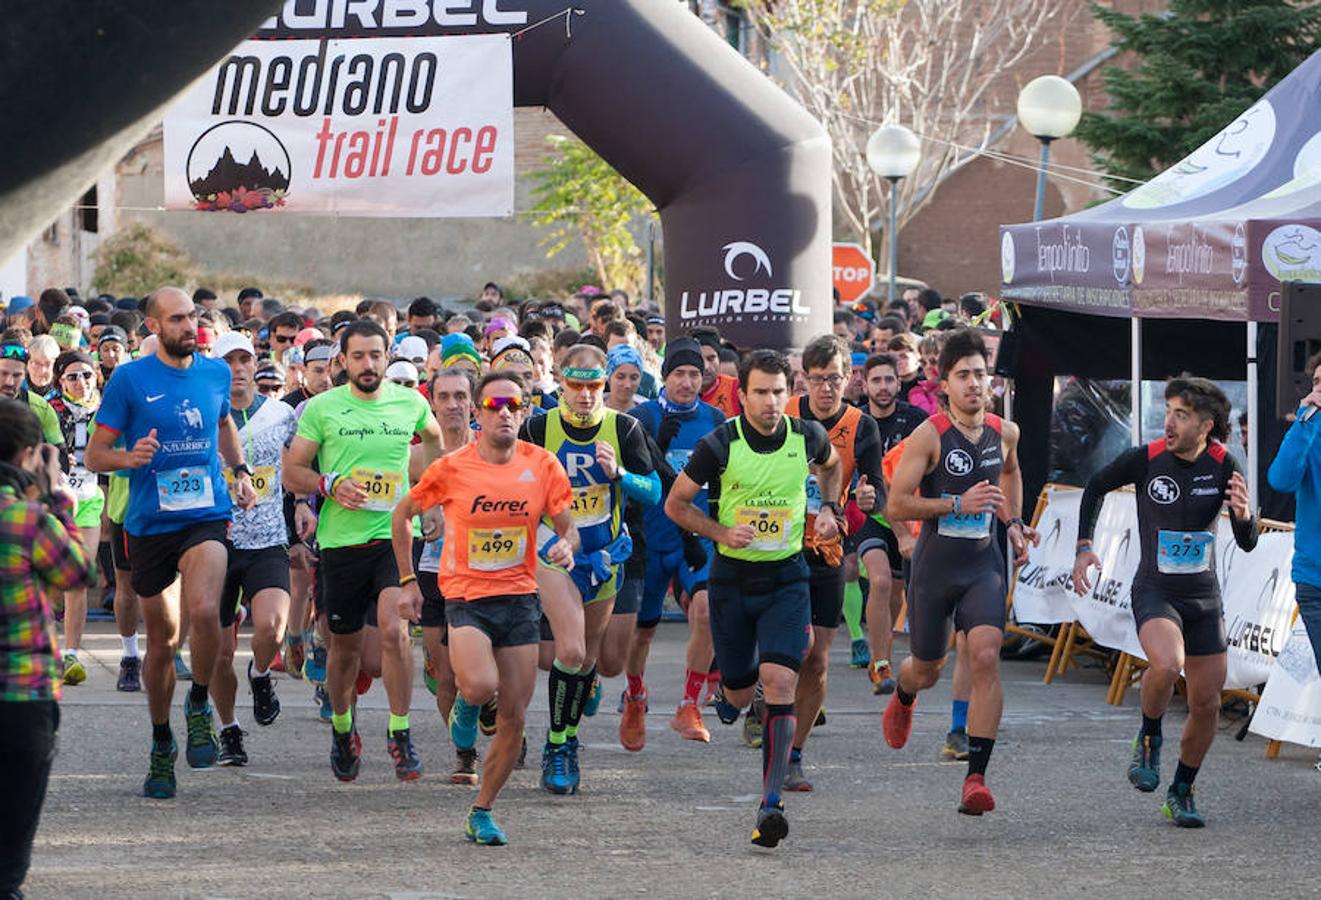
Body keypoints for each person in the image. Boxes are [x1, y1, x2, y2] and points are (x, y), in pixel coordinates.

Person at [84, 286, 258, 800]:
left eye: (193, 318)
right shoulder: (130, 380)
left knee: (205, 610)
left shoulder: (215, 372)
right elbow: (96, 455)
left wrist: (240, 469)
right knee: (161, 641)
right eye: (178, 319)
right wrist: (128, 458)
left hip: (205, 514)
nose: (190, 327)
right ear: (154, 327)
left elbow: (224, 422)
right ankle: (162, 741)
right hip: (148, 524)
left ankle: (199, 704)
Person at [666, 349, 841, 848]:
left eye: (779, 392)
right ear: (741, 394)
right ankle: (727, 692)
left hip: (786, 578)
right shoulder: (719, 443)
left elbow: (833, 467)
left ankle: (770, 804)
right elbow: (676, 504)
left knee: (781, 679)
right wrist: (721, 531)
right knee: (744, 692)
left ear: (792, 394)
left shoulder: (807, 436)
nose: (770, 402)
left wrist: (829, 507)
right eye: (760, 392)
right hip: (732, 582)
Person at [391, 372, 576, 844]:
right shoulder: (454, 467)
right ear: (479, 412)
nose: (506, 412)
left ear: (525, 410)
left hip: (519, 598)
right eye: (495, 404)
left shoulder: (544, 464)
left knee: (514, 716)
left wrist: (566, 546)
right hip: (468, 598)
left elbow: (568, 526)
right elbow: (402, 515)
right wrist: (409, 580)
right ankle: (468, 707)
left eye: (516, 404)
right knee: (478, 685)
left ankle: (483, 809)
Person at [1074, 375, 1258, 827]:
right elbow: (1095, 485)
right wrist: (1083, 546)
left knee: (1207, 704)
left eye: (1181, 415)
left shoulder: (1224, 464)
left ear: (1206, 424)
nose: (1169, 422)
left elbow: (1248, 542)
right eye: (1168, 411)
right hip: (1155, 589)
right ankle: (1150, 736)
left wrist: (1244, 515)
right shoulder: (1147, 458)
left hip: (1202, 597)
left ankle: (1182, 789)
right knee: (1164, 664)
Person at [882, 328, 1037, 816]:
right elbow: (895, 504)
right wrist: (955, 502)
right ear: (943, 383)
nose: (974, 384)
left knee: (987, 655)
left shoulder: (1004, 431)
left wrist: (1012, 521)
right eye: (963, 375)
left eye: (981, 374)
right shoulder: (928, 436)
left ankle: (976, 777)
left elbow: (1010, 472)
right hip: (935, 566)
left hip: (983, 564)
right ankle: (905, 692)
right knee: (928, 668)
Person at [283, 319, 441, 783]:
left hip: (394, 539)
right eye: (358, 356)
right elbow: (292, 472)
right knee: (344, 652)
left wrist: (425, 496)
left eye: (376, 355)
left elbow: (434, 440)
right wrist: (327, 484)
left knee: (395, 631)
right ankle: (341, 727)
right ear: (342, 362)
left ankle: (400, 731)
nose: (368, 364)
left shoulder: (410, 402)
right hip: (340, 544)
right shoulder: (323, 409)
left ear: (388, 355)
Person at [519, 343, 660, 794]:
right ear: (560, 381)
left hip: (604, 555)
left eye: (593, 386)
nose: (584, 395)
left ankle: (567, 736)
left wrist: (619, 473)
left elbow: (653, 492)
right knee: (573, 652)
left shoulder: (626, 427)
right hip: (554, 551)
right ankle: (558, 746)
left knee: (589, 661)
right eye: (576, 385)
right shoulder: (538, 427)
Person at [774, 336, 882, 791]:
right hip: (774, 544)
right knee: (782, 653)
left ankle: (793, 754)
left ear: (848, 378)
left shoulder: (862, 426)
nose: (826, 389)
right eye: (817, 380)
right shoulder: (782, 413)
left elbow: (876, 491)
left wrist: (867, 497)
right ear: (803, 380)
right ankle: (760, 689)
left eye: (834, 379)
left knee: (817, 660)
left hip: (828, 547)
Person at [0, 399, 91, 898]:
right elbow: (78, 573)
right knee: (11, 842)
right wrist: (57, 499)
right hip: (24, 695)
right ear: (31, 455)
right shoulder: (31, 519)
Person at [626, 337, 725, 750]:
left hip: (696, 539)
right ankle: (634, 695)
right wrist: (657, 446)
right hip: (651, 540)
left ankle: (689, 703)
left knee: (704, 609)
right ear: (664, 377)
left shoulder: (717, 419)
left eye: (695, 374)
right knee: (642, 631)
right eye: (679, 374)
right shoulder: (640, 417)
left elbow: (723, 481)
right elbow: (634, 482)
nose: (687, 382)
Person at [210, 333, 299, 766]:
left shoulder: (281, 414)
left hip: (267, 539)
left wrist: (303, 504)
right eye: (229, 360)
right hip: (216, 542)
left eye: (245, 359)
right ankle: (228, 729)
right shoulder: (204, 415)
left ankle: (261, 673)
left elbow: (302, 465)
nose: (239, 368)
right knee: (219, 652)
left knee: (272, 627)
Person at [855, 353, 927, 690]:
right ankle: (881, 665)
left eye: (889, 380)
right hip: (871, 514)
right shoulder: (856, 420)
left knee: (896, 593)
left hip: (909, 518)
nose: (883, 387)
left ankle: (882, 652)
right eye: (876, 380)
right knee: (880, 582)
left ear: (899, 383)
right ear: (864, 384)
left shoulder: (917, 421)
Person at [1267, 351, 1321, 739]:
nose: (1320, 391)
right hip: (1315, 577)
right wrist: (1303, 423)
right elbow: (1281, 480)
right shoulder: (1308, 431)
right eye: (1317, 383)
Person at [47, 351, 104, 685]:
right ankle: (54, 615)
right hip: (55, 500)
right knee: (56, 580)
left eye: (85, 375)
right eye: (72, 376)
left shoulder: (106, 409)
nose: (80, 382)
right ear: (60, 381)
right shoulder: (49, 409)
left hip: (90, 500)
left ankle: (71, 654)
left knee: (79, 575)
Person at [0, 343, 65, 449]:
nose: (10, 382)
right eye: (3, 373)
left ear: (25, 375)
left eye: (17, 375)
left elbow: (59, 454)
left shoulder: (42, 407)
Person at [692, 330, 741, 418]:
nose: (706, 366)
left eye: (711, 359)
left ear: (719, 359)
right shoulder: (676, 393)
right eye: (699, 359)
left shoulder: (737, 389)